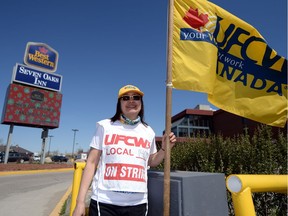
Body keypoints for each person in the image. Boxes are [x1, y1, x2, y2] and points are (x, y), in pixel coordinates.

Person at [73, 84, 176, 216]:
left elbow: (151, 161)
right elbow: (91, 163)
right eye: (126, 98)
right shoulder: (105, 126)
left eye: (136, 97)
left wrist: (164, 150)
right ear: (119, 103)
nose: (131, 101)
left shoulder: (148, 131)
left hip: (138, 204)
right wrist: (80, 202)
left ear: (141, 103)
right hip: (104, 203)